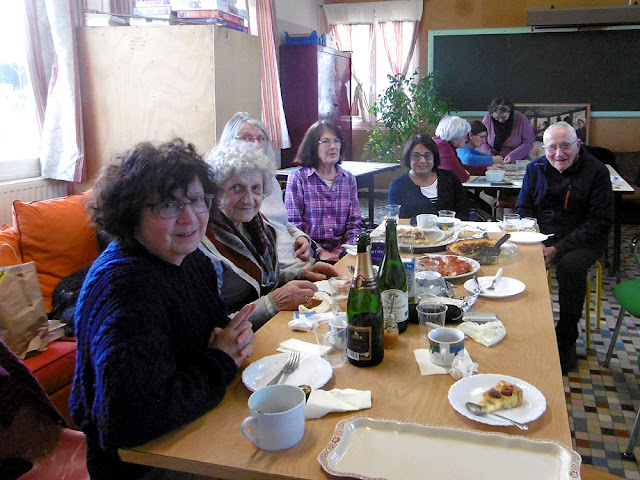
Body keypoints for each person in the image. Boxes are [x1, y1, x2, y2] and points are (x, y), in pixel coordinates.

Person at [70, 139, 256, 479]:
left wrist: (232, 340)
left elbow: (213, 337)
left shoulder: (190, 259)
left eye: (197, 200)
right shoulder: (124, 288)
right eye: (168, 205)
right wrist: (221, 360)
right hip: (146, 462)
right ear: (131, 213)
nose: (190, 217)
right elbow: (134, 419)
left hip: (194, 422)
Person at [203, 141, 339, 330]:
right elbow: (213, 328)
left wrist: (299, 273)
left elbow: (263, 281)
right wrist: (273, 303)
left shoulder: (257, 224)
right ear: (217, 190)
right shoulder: (205, 243)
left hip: (272, 327)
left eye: (256, 188)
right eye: (236, 188)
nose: (249, 199)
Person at [516, 122, 614, 373]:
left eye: (565, 146)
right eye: (552, 148)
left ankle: (566, 338)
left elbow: (599, 221)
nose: (559, 154)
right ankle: (519, 332)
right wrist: (535, 239)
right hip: (543, 234)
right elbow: (523, 209)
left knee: (570, 269)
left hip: (583, 237)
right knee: (514, 258)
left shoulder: (597, 171)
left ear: (578, 145)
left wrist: (556, 249)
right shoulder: (534, 168)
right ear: (543, 149)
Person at [217, 112, 312, 268]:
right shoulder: (226, 186)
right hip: (277, 267)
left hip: (297, 258)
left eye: (260, 138)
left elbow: (280, 220)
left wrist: (300, 236)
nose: (255, 144)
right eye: (247, 138)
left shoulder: (270, 180)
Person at [285, 120, 361, 262]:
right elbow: (293, 225)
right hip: (308, 254)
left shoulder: (348, 179)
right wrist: (320, 253)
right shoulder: (298, 178)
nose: (333, 146)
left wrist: (342, 252)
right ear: (313, 146)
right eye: (326, 141)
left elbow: (354, 224)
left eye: (336, 141)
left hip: (343, 253)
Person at [388, 134, 469, 220]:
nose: (422, 161)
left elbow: (463, 212)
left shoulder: (450, 178)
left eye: (428, 155)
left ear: (435, 157)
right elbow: (398, 221)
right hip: (412, 232)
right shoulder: (398, 186)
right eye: (416, 156)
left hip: (452, 231)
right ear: (408, 158)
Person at [479, 97, 535, 163]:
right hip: (493, 160)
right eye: (496, 118)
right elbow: (482, 141)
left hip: (517, 160)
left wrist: (512, 156)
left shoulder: (521, 119)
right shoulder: (488, 119)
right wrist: (490, 157)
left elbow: (528, 142)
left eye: (504, 117)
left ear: (510, 112)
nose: (500, 121)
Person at [432, 115, 473, 182]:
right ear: (457, 136)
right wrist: (465, 174)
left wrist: (485, 169)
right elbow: (461, 177)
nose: (466, 140)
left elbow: (461, 167)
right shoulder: (443, 147)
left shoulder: (440, 143)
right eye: (465, 137)